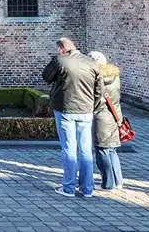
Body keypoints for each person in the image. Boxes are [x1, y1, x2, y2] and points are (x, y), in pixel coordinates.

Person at [42, 36, 103, 198]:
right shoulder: (91, 63)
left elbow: (46, 77)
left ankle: (68, 187)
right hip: (86, 111)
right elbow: (99, 90)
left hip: (65, 110)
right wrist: (93, 107)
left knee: (69, 148)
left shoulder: (60, 60)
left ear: (62, 49)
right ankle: (87, 188)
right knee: (85, 150)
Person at [87, 51, 124, 191]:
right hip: (115, 116)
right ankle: (118, 180)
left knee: (101, 149)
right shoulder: (114, 76)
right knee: (112, 150)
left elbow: (97, 100)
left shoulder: (97, 78)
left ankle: (108, 183)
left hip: (101, 117)